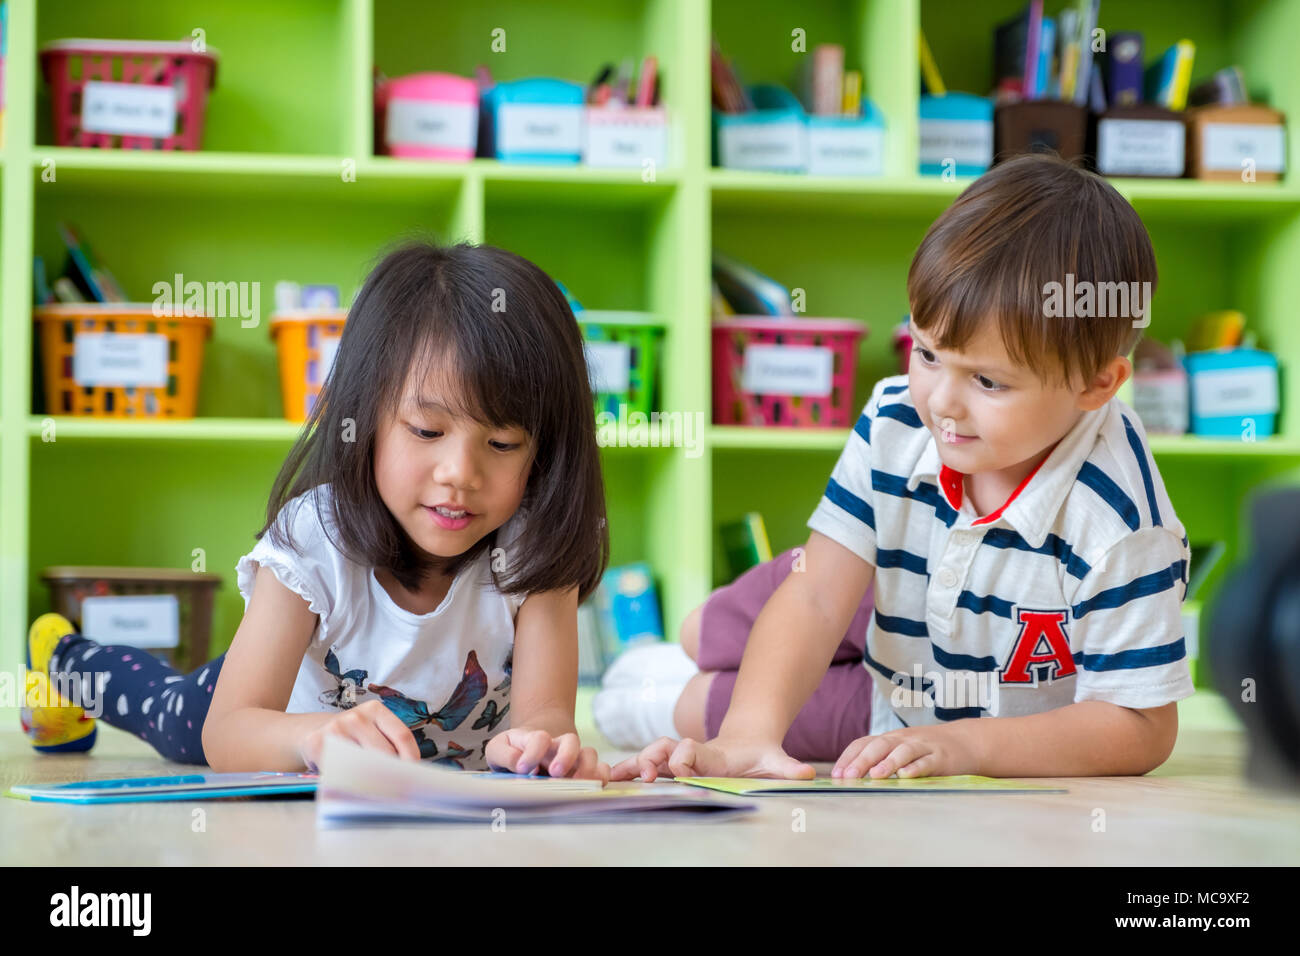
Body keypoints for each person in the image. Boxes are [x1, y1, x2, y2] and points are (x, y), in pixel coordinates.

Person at [601, 152, 1193, 782]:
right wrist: (749, 734)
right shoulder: (896, 415)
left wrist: (966, 746)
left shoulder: (1124, 525)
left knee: (669, 705)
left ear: (1098, 385)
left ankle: (672, 677)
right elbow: (820, 591)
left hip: (908, 707)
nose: (941, 402)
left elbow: (1141, 726)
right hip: (880, 590)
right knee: (701, 634)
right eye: (927, 352)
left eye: (988, 381)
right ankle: (690, 649)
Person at [23, 241, 611, 780]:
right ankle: (63, 658)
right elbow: (229, 732)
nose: (460, 473)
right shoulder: (313, 538)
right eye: (427, 430)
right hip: (272, 706)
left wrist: (542, 749)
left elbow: (547, 716)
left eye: (503, 444)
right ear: (365, 418)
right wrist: (314, 736)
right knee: (171, 711)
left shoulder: (533, 548)